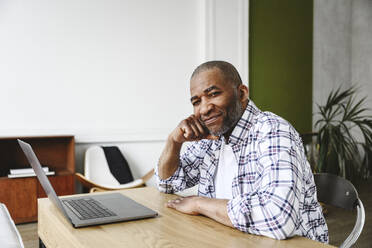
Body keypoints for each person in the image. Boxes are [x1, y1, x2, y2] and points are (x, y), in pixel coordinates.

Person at [155, 61, 328, 243]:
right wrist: (173, 141)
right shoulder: (213, 138)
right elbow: (168, 184)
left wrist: (199, 203)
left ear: (242, 93)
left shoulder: (272, 130)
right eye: (196, 102)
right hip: (230, 240)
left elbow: (278, 218)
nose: (204, 108)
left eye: (213, 94)